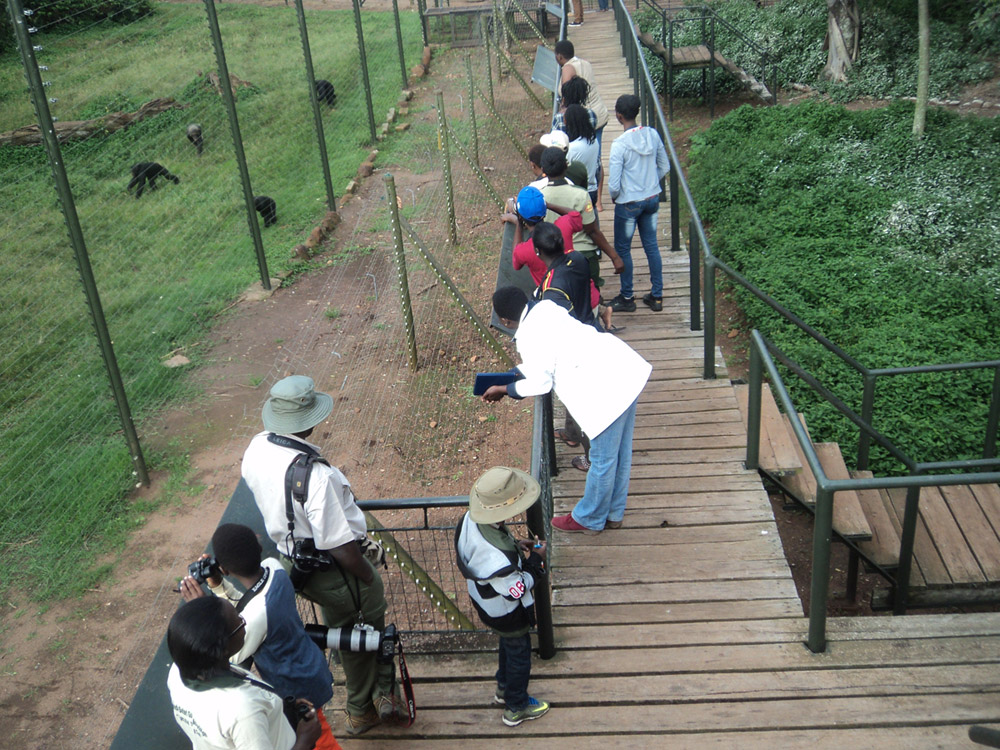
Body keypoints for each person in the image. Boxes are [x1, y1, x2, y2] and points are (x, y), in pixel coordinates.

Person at [241, 375, 398, 736]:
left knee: (340, 622)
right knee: (362, 631)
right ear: (309, 421)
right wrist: (366, 574)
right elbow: (340, 546)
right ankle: (361, 710)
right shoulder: (316, 476)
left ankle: (372, 693)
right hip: (336, 567)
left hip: (292, 558)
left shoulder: (257, 447)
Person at [483, 287, 651, 533]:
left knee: (602, 460)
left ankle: (589, 518)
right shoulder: (547, 307)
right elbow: (549, 356)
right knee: (621, 452)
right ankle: (614, 512)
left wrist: (503, 388)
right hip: (622, 367)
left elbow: (541, 382)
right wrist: (513, 379)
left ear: (505, 321)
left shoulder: (527, 337)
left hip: (606, 392)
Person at [178, 524, 340, 749]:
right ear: (258, 545)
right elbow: (248, 608)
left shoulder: (255, 620)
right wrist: (219, 586)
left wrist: (204, 612)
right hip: (310, 665)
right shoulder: (273, 568)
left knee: (321, 740)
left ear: (224, 568)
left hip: (296, 687)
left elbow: (229, 652)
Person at [454, 466, 550, 727]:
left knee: (508, 645)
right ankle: (516, 706)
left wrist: (517, 547)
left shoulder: (471, 519)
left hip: (486, 603)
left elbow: (491, 550)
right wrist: (536, 563)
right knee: (520, 653)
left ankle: (503, 688)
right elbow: (517, 587)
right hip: (508, 612)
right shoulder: (500, 558)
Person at [167, 596, 322, 750]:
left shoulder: (178, 672)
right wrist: (305, 740)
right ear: (224, 649)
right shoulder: (243, 709)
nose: (243, 622)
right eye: (239, 621)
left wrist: (276, 706)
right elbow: (244, 715)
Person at [607, 94, 670, 314]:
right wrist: (651, 184)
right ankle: (657, 295)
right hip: (651, 199)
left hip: (629, 203)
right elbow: (665, 166)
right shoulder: (652, 134)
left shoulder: (619, 145)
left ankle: (627, 296)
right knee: (651, 245)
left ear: (619, 115)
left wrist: (615, 195)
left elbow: (614, 183)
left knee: (623, 249)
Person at [539, 147, 623, 291]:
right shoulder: (581, 195)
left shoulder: (539, 197)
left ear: (542, 169)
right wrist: (614, 257)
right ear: (566, 166)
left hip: (553, 259)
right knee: (591, 298)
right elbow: (592, 231)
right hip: (583, 255)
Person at [555, 41, 610, 152]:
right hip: (599, 113)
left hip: (584, 118)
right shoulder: (585, 63)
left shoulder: (567, 69)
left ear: (559, 56)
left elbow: (567, 94)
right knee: (595, 154)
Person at [564, 104, 602, 212]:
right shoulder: (594, 141)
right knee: (592, 217)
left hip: (577, 193)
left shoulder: (572, 148)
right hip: (592, 189)